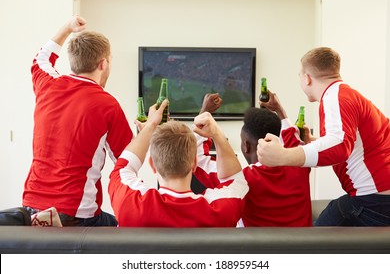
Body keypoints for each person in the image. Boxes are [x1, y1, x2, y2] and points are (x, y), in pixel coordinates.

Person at [257, 47, 390, 226]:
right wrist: (310, 139)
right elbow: (351, 144)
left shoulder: (334, 97)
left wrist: (282, 156)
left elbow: (340, 145)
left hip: (375, 200)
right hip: (379, 197)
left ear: (307, 78)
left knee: (319, 235)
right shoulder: (346, 94)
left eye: (299, 75)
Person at [22, 16, 133, 226]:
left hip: (31, 209)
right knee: (124, 230)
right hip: (76, 216)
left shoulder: (48, 85)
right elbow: (126, 159)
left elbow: (40, 60)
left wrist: (67, 28)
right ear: (103, 64)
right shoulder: (108, 105)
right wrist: (148, 130)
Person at [108, 100, 249, 227]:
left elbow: (123, 167)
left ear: (152, 165)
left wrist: (151, 125)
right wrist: (217, 134)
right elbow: (235, 179)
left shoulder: (130, 203)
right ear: (194, 163)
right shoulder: (222, 208)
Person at [194, 92, 312, 227]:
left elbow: (197, 159)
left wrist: (204, 112)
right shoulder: (300, 164)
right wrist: (280, 111)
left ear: (246, 145)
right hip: (303, 247)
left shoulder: (239, 179)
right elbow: (293, 138)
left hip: (258, 248)